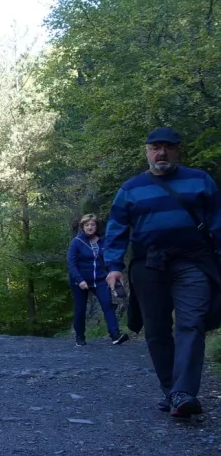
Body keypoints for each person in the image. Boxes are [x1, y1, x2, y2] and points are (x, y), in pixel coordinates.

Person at [105, 127, 221, 417]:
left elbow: (218, 221)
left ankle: (183, 392)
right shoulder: (130, 189)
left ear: (178, 150)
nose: (161, 153)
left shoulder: (200, 180)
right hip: (149, 265)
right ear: (146, 152)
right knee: (156, 329)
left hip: (193, 261)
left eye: (168, 147)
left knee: (191, 324)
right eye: (155, 147)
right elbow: (116, 229)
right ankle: (171, 390)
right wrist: (113, 267)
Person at [67, 214, 129, 347]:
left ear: (97, 226)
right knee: (80, 309)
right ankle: (80, 336)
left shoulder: (103, 241)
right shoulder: (77, 242)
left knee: (107, 305)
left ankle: (115, 335)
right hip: (80, 281)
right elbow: (71, 264)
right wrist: (80, 280)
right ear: (82, 227)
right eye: (87, 225)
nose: (90, 227)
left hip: (101, 280)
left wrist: (112, 272)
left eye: (93, 225)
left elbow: (110, 258)